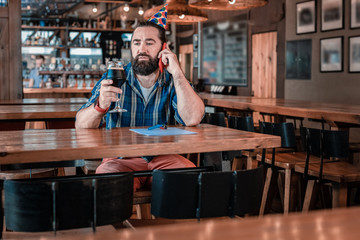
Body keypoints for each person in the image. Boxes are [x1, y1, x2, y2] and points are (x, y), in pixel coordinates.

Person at [75, 5, 205, 191]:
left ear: (164, 48)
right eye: (136, 43)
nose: (141, 49)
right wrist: (100, 106)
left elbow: (192, 118)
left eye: (149, 43)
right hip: (120, 159)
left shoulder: (173, 80)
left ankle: (171, 221)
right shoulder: (113, 78)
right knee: (107, 185)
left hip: (163, 158)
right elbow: (81, 124)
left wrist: (177, 72)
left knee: (189, 181)